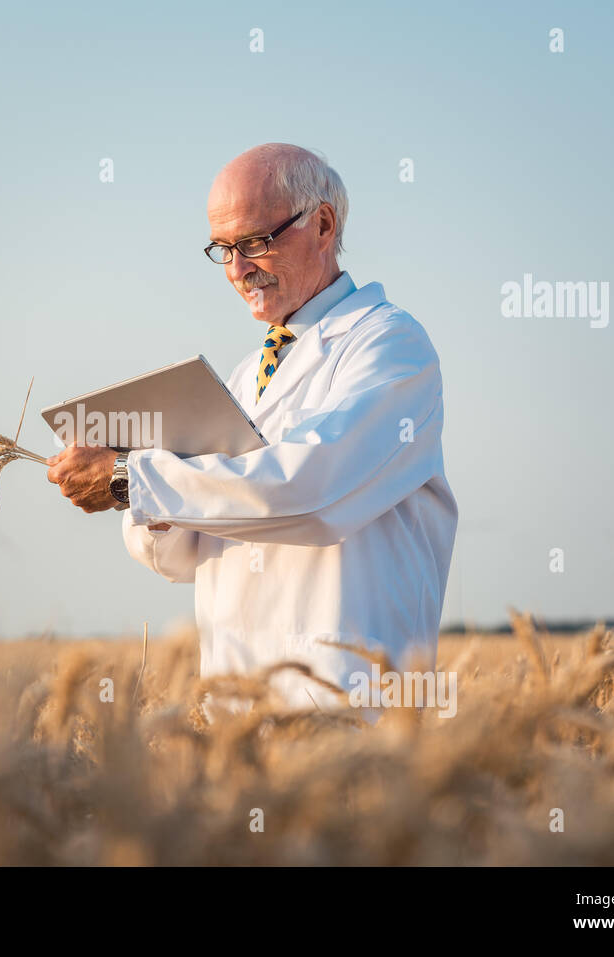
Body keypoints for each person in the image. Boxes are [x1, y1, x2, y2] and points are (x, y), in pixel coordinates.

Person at [46, 143, 457, 719]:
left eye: (256, 242)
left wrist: (129, 480)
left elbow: (312, 492)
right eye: (224, 249)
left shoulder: (390, 345)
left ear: (322, 224)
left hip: (350, 712)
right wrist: (150, 498)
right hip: (239, 715)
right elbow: (184, 557)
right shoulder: (244, 378)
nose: (239, 270)